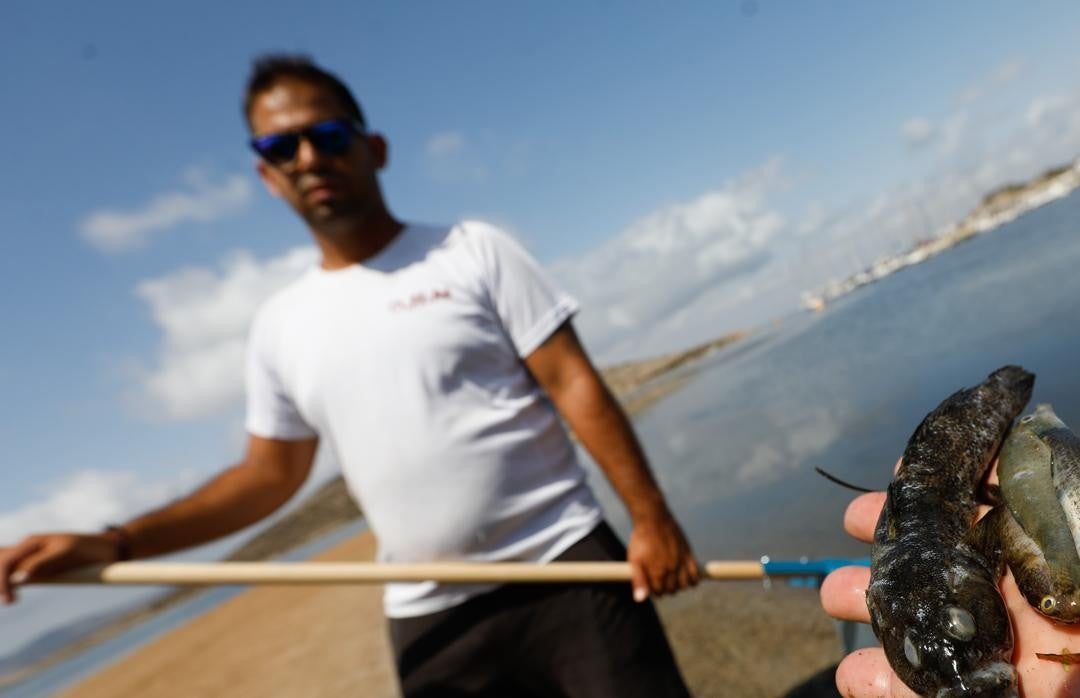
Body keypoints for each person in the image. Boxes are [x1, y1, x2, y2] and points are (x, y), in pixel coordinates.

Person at [0, 54, 698, 697]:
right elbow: (267, 476)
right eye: (280, 147)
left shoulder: (470, 251)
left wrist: (650, 517)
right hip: (428, 610)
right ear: (266, 177)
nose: (308, 157)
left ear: (374, 148)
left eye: (327, 135)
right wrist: (116, 541)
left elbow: (571, 380)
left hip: (569, 564)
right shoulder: (280, 325)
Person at [820, 272, 1080, 697]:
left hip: (930, 501)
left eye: (960, 626)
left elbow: (1004, 521)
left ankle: (1000, 398)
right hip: (927, 516)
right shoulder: (912, 601)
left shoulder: (962, 563)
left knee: (1005, 396)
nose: (960, 674)